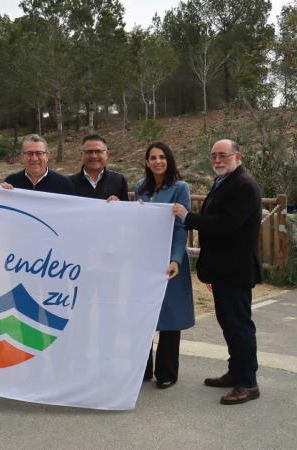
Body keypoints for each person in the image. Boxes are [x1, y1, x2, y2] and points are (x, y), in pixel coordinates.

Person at [173, 139, 263, 405]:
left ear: (238, 156)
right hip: (224, 269)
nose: (217, 160)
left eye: (222, 155)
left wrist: (187, 217)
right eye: (213, 155)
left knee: (239, 326)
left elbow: (227, 224)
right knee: (229, 324)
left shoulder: (243, 185)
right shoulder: (225, 181)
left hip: (236, 270)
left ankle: (248, 383)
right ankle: (236, 372)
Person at [134, 142, 194, 389]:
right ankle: (142, 369)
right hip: (145, 260)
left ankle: (167, 372)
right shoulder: (140, 187)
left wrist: (175, 259)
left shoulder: (180, 188)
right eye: (153, 158)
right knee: (143, 315)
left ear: (169, 160)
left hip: (170, 261)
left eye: (162, 157)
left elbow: (181, 228)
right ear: (147, 162)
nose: (157, 161)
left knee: (170, 316)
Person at [0, 134, 74, 194]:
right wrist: (0, 193)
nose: (34, 159)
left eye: (39, 153)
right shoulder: (12, 181)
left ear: (47, 156)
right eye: (29, 153)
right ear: (22, 157)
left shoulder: (63, 184)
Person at [69, 134, 129, 201]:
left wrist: (119, 203)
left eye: (98, 151)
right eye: (89, 152)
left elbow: (126, 206)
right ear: (81, 155)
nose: (94, 156)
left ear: (107, 154)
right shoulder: (69, 183)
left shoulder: (119, 180)